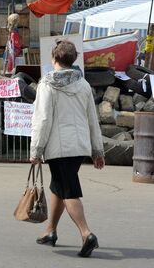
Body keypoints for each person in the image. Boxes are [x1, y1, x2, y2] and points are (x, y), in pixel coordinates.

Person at [29, 39, 105, 258]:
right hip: (79, 146)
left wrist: (36, 150)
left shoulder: (47, 84)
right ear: (74, 60)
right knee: (59, 186)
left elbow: (42, 120)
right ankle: (50, 230)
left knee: (68, 190)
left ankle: (86, 233)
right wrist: (97, 151)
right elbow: (93, 118)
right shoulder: (83, 84)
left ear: (53, 58)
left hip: (58, 147)